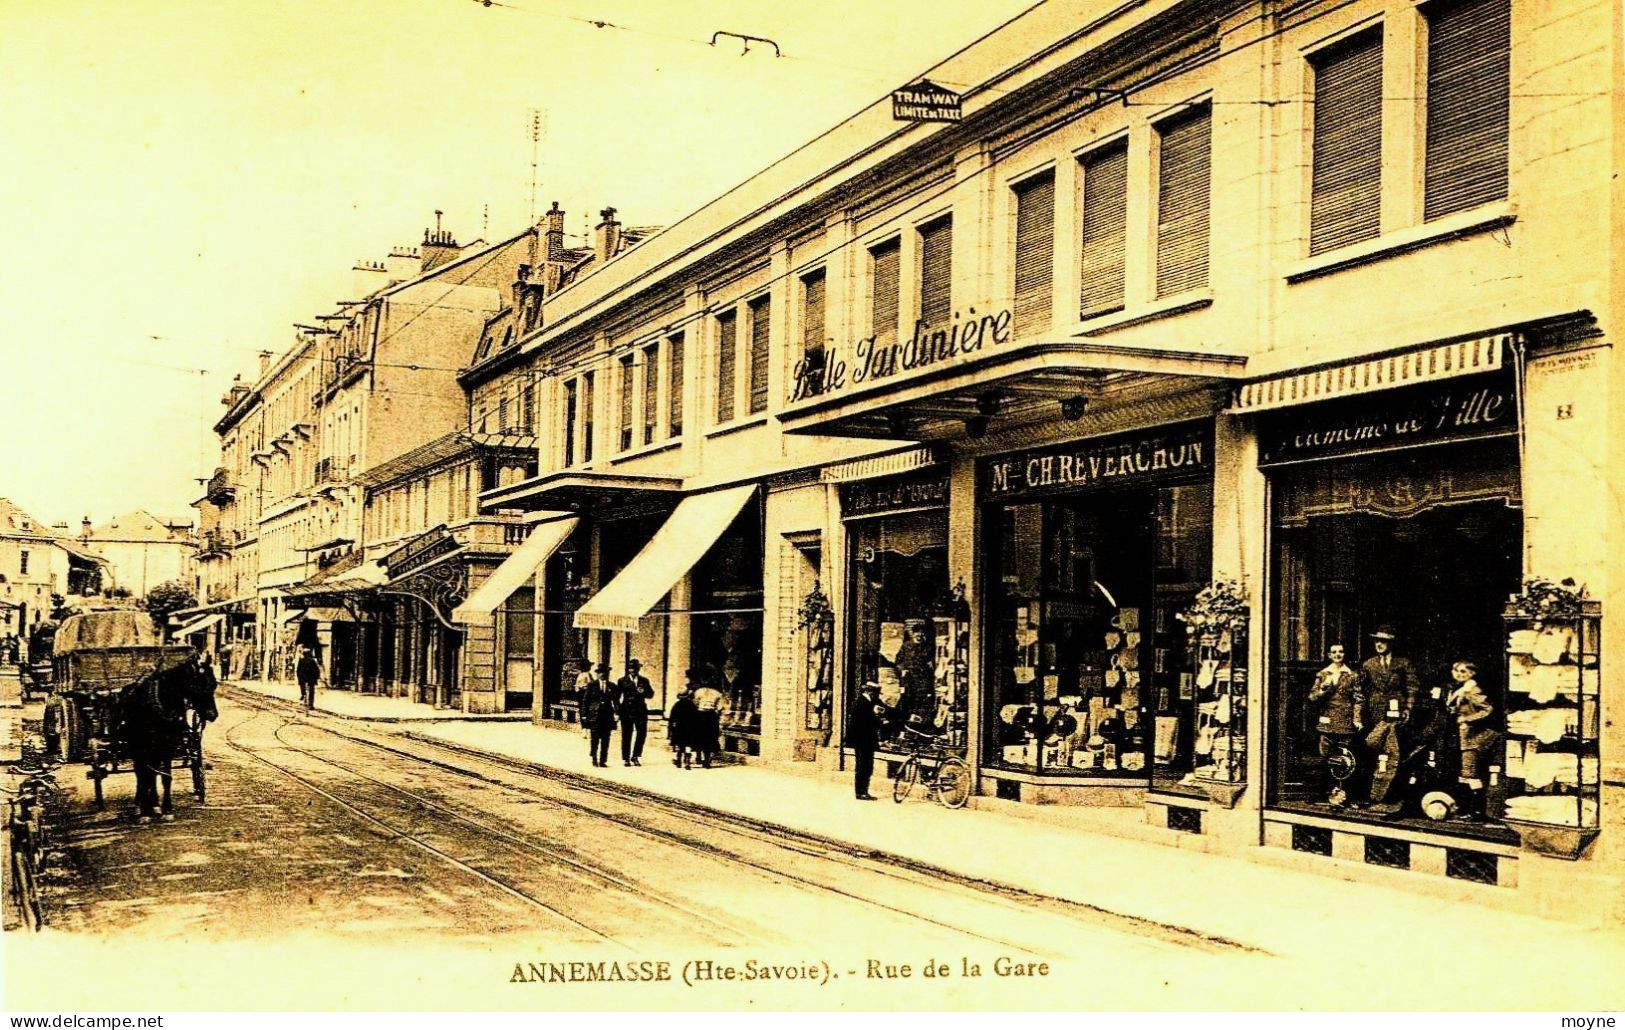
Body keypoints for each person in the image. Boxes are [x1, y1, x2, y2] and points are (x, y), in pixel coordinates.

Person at [1359, 625, 1421, 812]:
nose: (1379, 644)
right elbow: (1361, 691)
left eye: (1384, 641)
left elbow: (1412, 687)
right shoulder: (1369, 664)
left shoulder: (1403, 664)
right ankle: (1372, 795)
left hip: (1397, 713)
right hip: (1375, 713)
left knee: (1393, 753)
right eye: (1377, 641)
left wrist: (1408, 708)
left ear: (1391, 643)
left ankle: (1389, 797)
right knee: (1374, 750)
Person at [1308, 643, 1362, 806]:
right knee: (1325, 757)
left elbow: (1358, 699)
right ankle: (1322, 794)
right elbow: (1312, 697)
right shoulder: (1323, 674)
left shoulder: (1352, 675)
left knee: (1347, 759)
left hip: (1345, 723)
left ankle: (1346, 796)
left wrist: (1357, 718)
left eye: (1341, 651)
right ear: (1329, 655)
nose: (1338, 654)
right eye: (1334, 652)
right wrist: (1323, 690)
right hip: (1327, 722)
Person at [1445, 660, 1498, 791]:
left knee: (1469, 773)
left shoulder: (1471, 691)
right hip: (1460, 735)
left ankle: (1474, 805)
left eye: (1463, 671)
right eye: (1456, 671)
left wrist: (1467, 718)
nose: (1459, 674)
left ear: (1471, 673)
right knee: (1464, 772)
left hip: (1471, 737)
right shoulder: (1456, 688)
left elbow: (1488, 709)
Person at [845, 680, 892, 801]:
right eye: (874, 692)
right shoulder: (861, 703)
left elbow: (885, 709)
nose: (876, 694)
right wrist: (880, 721)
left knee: (868, 766)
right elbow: (865, 721)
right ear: (868, 691)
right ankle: (860, 792)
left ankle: (863, 791)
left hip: (868, 739)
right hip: (861, 740)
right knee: (863, 766)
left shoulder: (871, 701)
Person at [615, 659, 655, 766]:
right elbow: (616, 697)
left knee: (641, 734)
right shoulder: (622, 681)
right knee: (627, 734)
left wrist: (644, 692)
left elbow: (651, 694)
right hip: (626, 711)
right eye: (631, 668)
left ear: (638, 669)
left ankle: (635, 756)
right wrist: (617, 711)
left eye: (635, 668)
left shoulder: (644, 680)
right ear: (628, 669)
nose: (633, 670)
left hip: (640, 710)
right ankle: (626, 758)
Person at [581, 663, 618, 768]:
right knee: (595, 738)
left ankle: (603, 760)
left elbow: (615, 701)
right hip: (595, 716)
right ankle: (594, 758)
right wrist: (584, 715)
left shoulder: (612, 686)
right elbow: (585, 701)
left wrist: (616, 712)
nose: (602, 674)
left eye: (604, 672)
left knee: (606, 739)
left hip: (607, 716)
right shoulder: (592, 685)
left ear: (607, 673)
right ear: (597, 674)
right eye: (600, 673)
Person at [691, 668, 726, 769]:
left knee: (699, 736)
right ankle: (706, 761)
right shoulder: (717, 693)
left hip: (700, 714)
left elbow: (695, 703)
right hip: (711, 716)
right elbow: (720, 707)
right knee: (709, 737)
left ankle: (698, 756)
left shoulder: (698, 691)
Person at [667, 680, 698, 769]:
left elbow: (672, 718)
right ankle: (687, 761)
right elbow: (696, 717)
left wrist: (670, 729)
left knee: (680, 744)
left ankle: (679, 760)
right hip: (690, 727)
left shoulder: (677, 705)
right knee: (688, 744)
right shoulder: (692, 705)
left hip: (679, 727)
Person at [295, 646, 321, 711]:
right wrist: (317, 677)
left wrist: (299, 677)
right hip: (311, 679)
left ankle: (303, 696)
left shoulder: (301, 660)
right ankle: (311, 704)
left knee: (303, 688)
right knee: (311, 692)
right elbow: (317, 670)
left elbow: (298, 670)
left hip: (303, 678)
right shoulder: (313, 661)